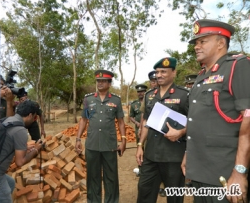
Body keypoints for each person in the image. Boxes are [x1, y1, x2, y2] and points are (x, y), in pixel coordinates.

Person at [182, 19, 250, 202]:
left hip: (225, 173)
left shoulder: (238, 66)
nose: (197, 46)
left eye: (202, 41)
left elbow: (248, 120)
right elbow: (197, 120)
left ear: (221, 43)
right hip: (201, 171)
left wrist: (240, 171)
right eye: (196, 42)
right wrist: (189, 154)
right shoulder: (202, 75)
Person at [136, 57, 189, 203]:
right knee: (144, 193)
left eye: (163, 72)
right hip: (151, 156)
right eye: (157, 72)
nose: (159, 75)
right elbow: (146, 121)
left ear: (174, 72)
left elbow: (194, 122)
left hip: (173, 157)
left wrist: (181, 132)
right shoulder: (149, 95)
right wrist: (140, 145)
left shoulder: (184, 95)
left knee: (175, 197)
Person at [0, 100, 45, 203]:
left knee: (11, 183)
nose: (34, 120)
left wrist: (24, 148)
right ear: (30, 115)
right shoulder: (20, 130)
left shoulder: (8, 120)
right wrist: (36, 150)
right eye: (35, 118)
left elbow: (6, 143)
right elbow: (20, 162)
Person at [75, 69, 126, 203]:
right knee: (93, 177)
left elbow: (121, 121)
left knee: (111, 177)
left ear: (109, 83)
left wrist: (123, 140)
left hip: (109, 145)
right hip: (92, 144)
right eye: (98, 81)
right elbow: (83, 120)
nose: (100, 83)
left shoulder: (116, 100)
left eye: (104, 81)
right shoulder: (88, 99)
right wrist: (78, 138)